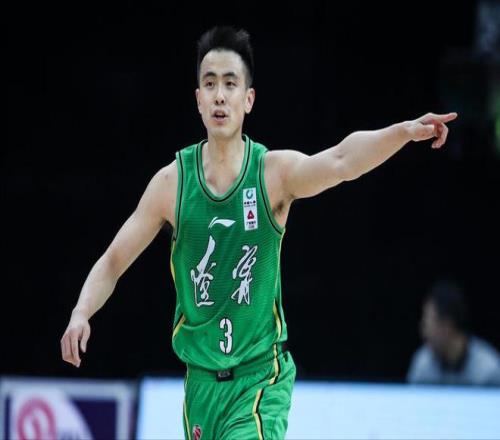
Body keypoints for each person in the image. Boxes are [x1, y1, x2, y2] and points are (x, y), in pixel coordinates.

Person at [61, 26, 458, 439]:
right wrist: (81, 312)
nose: (219, 95)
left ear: (248, 99)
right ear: (198, 100)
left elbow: (342, 160)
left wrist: (403, 132)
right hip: (200, 387)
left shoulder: (272, 175)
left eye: (230, 84)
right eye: (209, 84)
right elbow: (113, 261)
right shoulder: (171, 184)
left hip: (259, 382)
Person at [407, 279, 500, 386]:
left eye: (427, 323)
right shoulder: (423, 365)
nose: (423, 332)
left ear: (447, 325)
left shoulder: (488, 370)